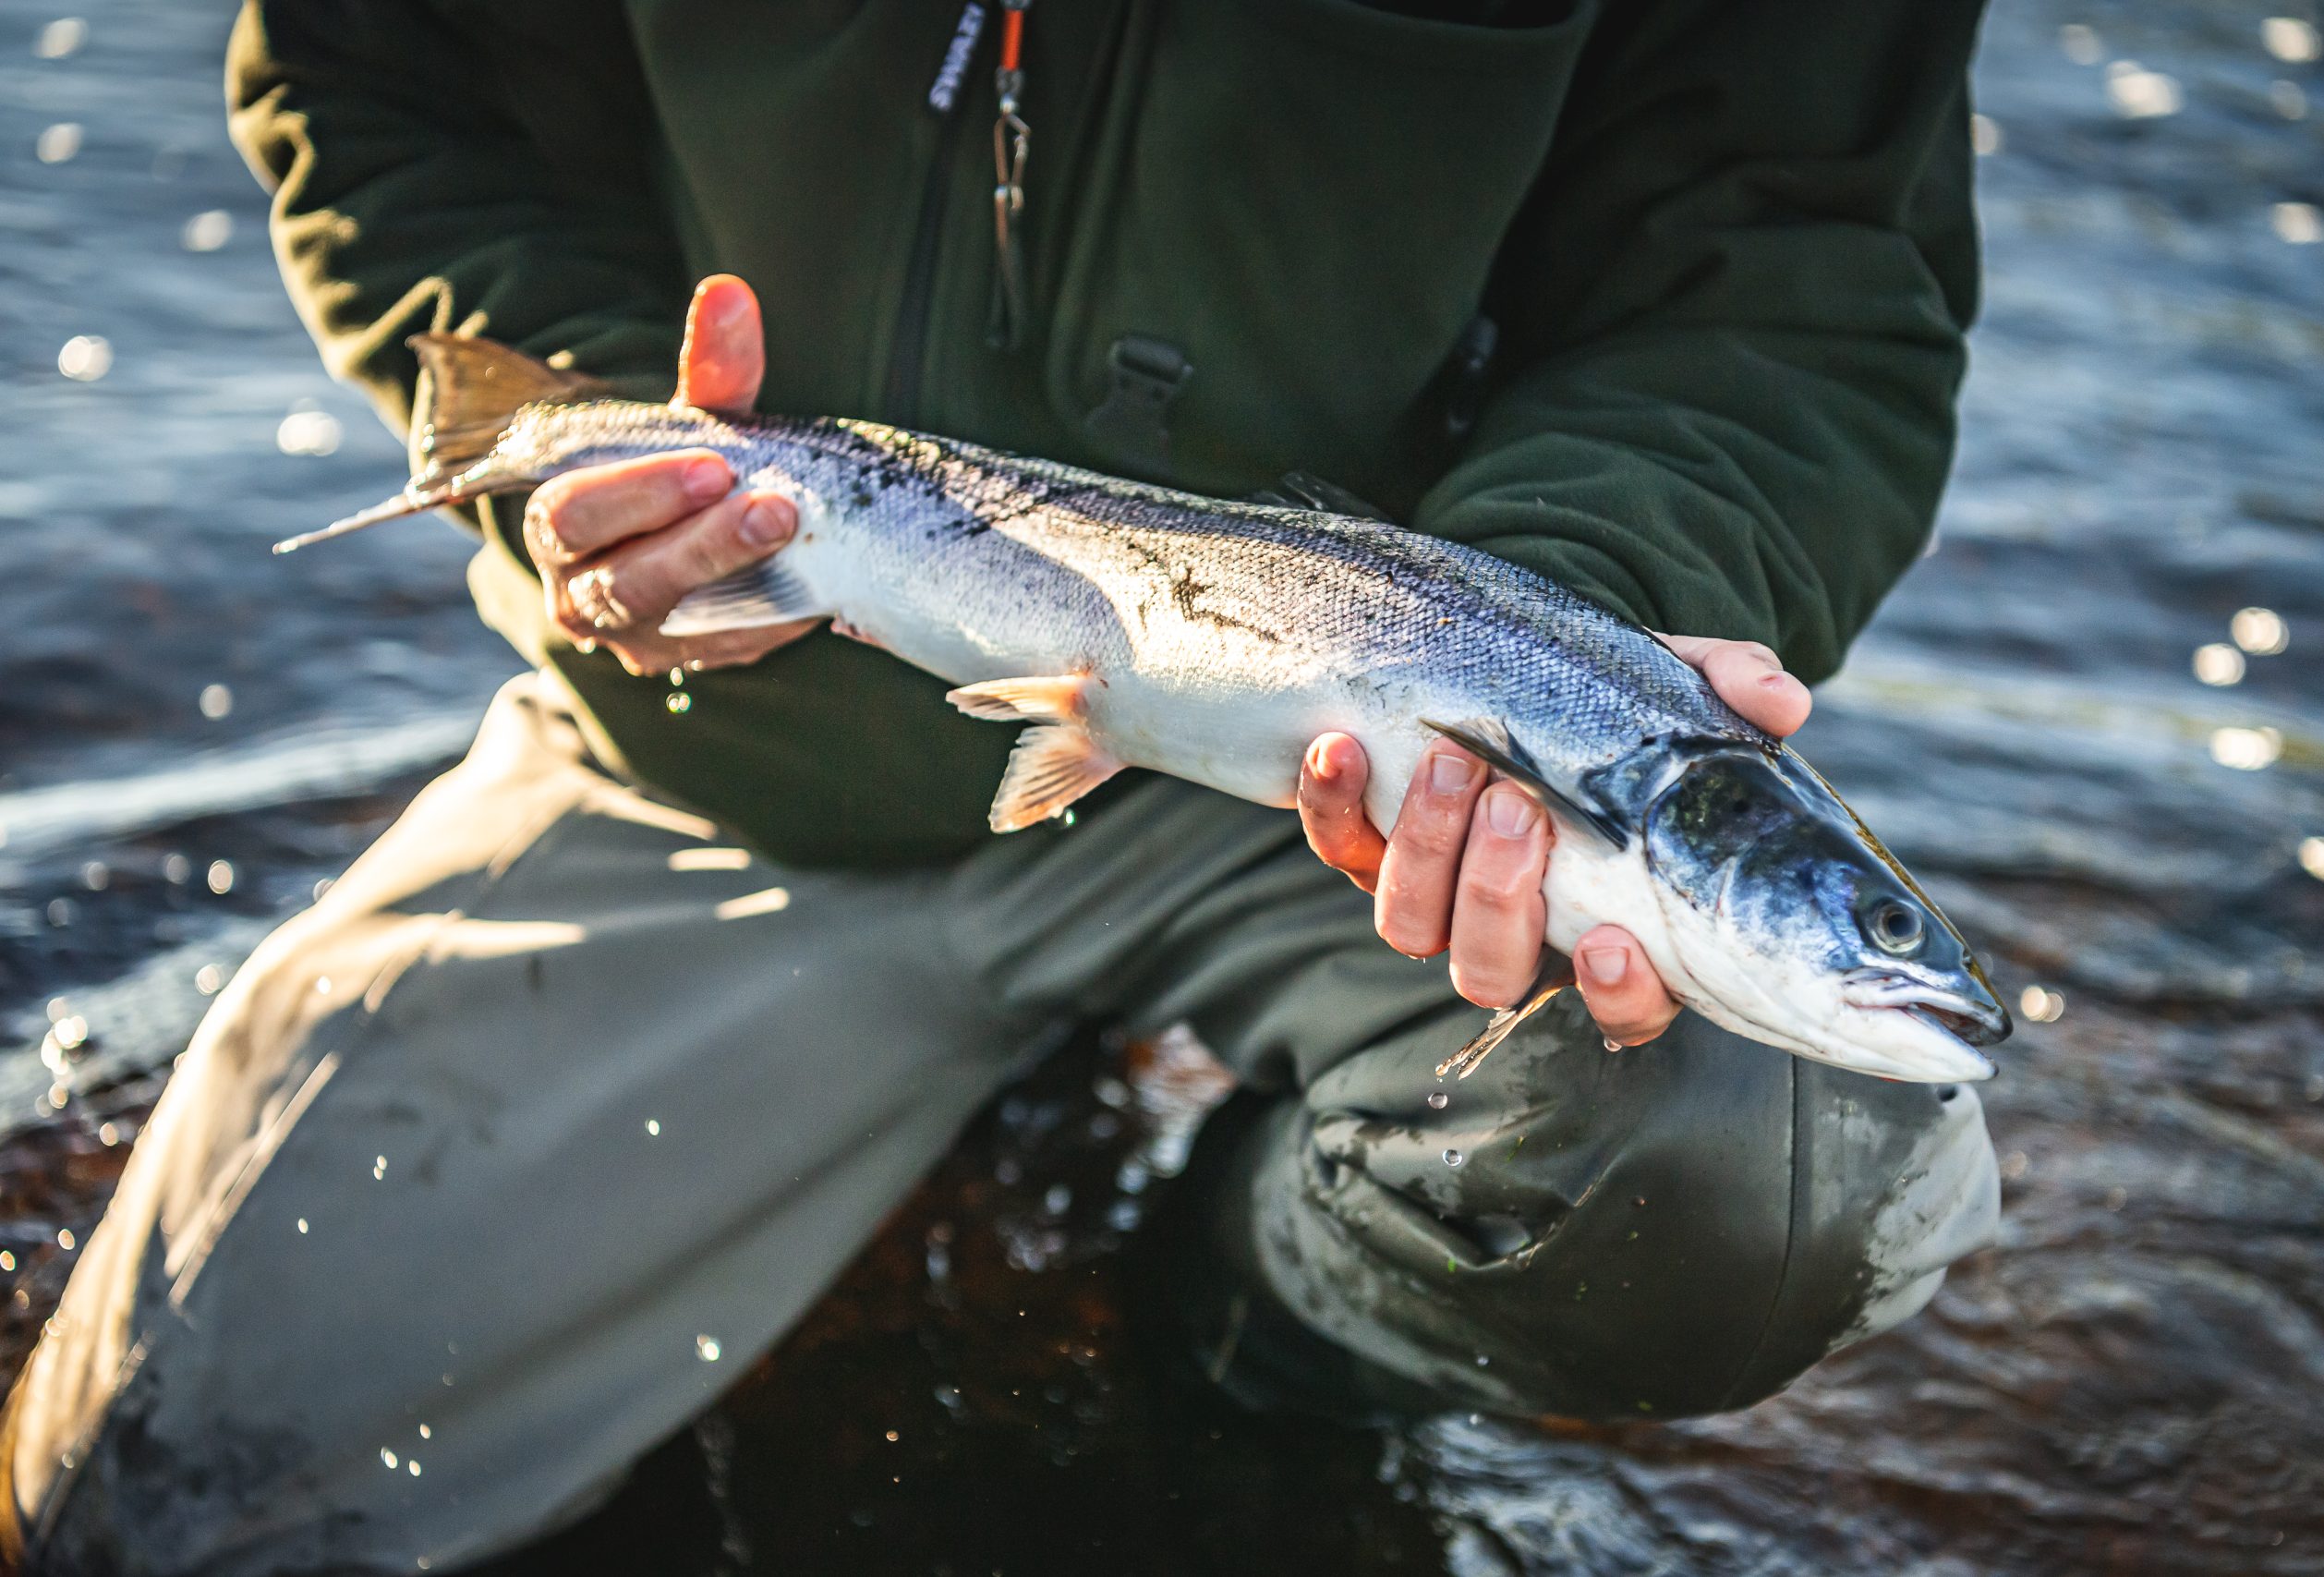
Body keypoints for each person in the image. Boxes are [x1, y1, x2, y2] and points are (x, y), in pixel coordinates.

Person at [2, 0, 2000, 1569]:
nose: (1922, 972)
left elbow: (1788, 260)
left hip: (1324, 826)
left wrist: (1611, 588)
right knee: (135, 1500)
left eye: (1880, 925)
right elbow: (383, 87)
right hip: (729, 752)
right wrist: (611, 465)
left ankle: (1237, 1351)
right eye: (1882, 932)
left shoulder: (1617, 751)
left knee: (1789, 1166)